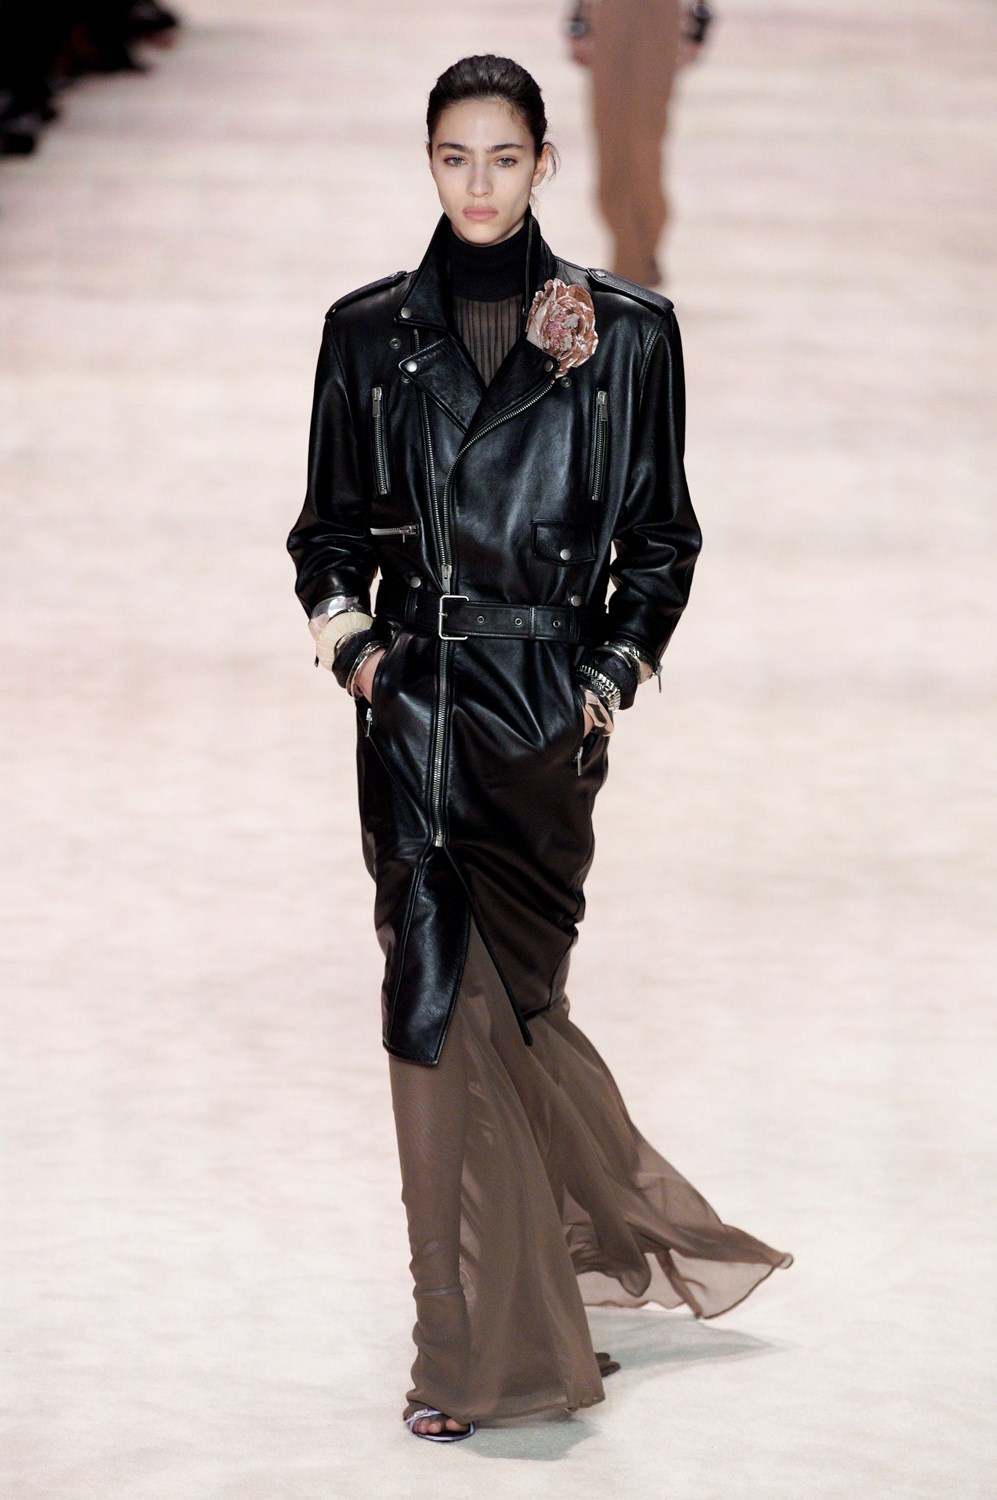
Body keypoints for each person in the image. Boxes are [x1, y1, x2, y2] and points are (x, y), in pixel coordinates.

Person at [286, 53, 790, 1442]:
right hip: (417, 715)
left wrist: (608, 679)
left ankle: (552, 1276)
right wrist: (359, 654)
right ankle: (451, 1346)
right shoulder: (366, 335)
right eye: (455, 157)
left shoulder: (627, 335)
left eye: (503, 157)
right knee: (427, 1005)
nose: (479, 182)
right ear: (428, 162)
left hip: (543, 726)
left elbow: (662, 538)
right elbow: (325, 533)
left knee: (519, 1012)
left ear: (543, 164)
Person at [566, 1, 714, 286]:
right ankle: (637, 260)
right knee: (610, 146)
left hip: (657, 16)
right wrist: (579, 20)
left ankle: (633, 266)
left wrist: (699, 22)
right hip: (609, 16)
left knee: (642, 146)